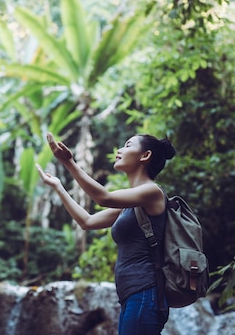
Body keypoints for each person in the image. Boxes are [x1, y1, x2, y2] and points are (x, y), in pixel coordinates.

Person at [35, 131, 176, 335]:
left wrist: (69, 163)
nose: (119, 150)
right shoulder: (130, 204)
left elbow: (103, 198)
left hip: (146, 294)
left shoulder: (152, 192)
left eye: (128, 145)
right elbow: (87, 221)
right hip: (132, 296)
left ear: (145, 156)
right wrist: (58, 186)